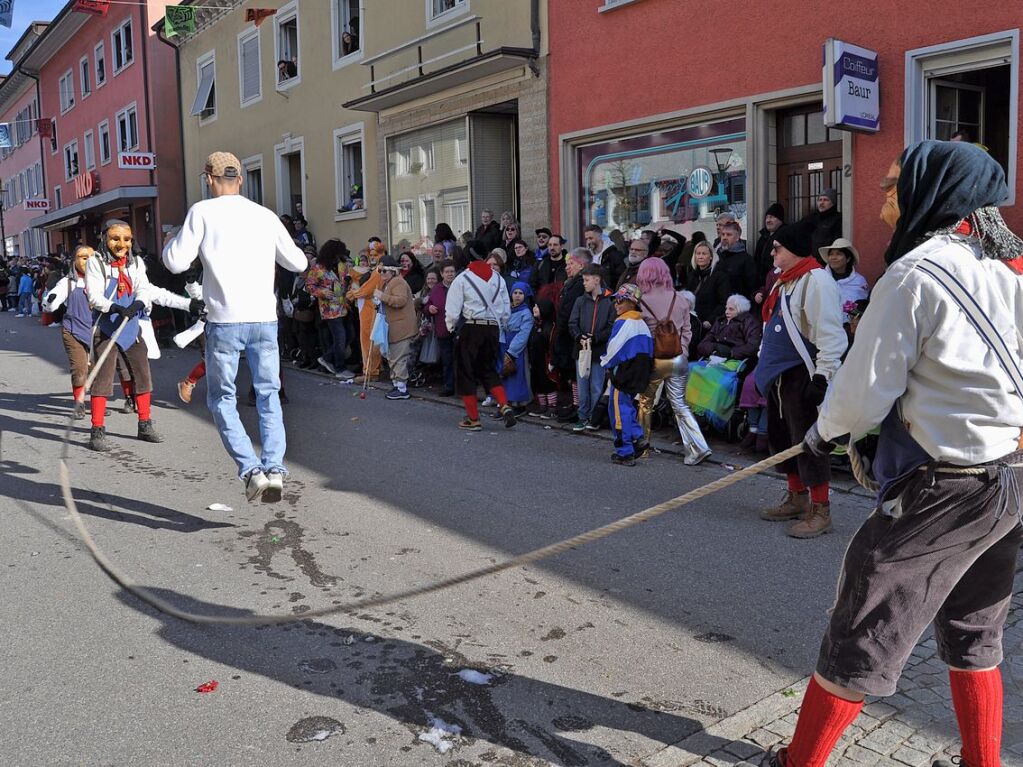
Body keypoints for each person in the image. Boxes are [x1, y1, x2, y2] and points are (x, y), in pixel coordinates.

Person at [769, 142, 1023, 767]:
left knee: (863, 628)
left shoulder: (912, 275)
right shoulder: (1006, 269)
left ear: (929, 192)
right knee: (975, 629)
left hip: (944, 487)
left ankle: (798, 762)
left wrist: (821, 435)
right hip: (1008, 480)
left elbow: (861, 393)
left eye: (893, 185)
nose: (884, 196)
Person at [163, 151, 306, 503]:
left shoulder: (202, 212)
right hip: (263, 320)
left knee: (222, 398)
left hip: (225, 320)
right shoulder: (264, 215)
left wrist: (175, 240)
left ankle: (251, 471)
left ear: (208, 179)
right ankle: (274, 469)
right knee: (269, 395)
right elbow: (298, 262)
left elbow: (176, 262)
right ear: (240, 179)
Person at [755, 222, 847, 538]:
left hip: (802, 375)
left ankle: (821, 510)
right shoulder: (784, 283)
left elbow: (832, 335)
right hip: (781, 377)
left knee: (809, 444)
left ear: (792, 249)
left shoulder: (816, 281)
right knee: (783, 439)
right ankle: (796, 497)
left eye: (777, 247)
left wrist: (822, 377)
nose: (772, 252)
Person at [86, 220, 173, 451]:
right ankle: (97, 430)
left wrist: (138, 302)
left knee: (142, 375)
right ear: (105, 238)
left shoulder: (136, 263)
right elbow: (94, 296)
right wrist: (113, 307)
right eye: (115, 238)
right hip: (106, 327)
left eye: (126, 239)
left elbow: (144, 287)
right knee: (103, 379)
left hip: (131, 327)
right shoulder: (96, 262)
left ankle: (145, 424)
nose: (121, 244)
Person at [636, 257, 711, 465]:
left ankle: (642, 445)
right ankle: (697, 447)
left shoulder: (641, 300)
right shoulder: (680, 299)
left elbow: (638, 331)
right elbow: (687, 330)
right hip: (678, 357)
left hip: (653, 359)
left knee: (645, 402)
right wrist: (683, 350)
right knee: (680, 404)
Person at [445, 252, 516, 430]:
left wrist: (450, 326)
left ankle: (473, 418)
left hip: (472, 327)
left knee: (465, 372)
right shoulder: (498, 279)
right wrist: (501, 323)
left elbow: (453, 308)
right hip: (492, 328)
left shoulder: (463, 278)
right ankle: (504, 404)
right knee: (488, 369)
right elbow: (506, 307)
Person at [600, 283, 653, 466]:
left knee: (617, 411)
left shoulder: (624, 322)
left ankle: (625, 451)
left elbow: (614, 349)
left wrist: (605, 362)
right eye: (616, 300)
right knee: (627, 406)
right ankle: (638, 438)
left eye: (620, 300)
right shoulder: (641, 323)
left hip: (623, 374)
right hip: (638, 373)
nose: (616, 304)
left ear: (632, 302)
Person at [43, 245, 95, 419]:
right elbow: (54, 299)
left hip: (96, 332)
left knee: (97, 370)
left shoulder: (102, 281)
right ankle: (79, 403)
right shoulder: (68, 282)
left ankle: (97, 404)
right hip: (73, 331)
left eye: (91, 257)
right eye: (83, 257)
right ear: (74, 261)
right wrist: (50, 301)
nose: (88, 261)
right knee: (80, 369)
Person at [569, 264, 613, 431]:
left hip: (599, 350)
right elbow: (572, 322)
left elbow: (610, 326)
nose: (584, 283)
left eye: (586, 280)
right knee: (582, 386)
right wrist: (579, 336)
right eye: (583, 280)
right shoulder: (580, 300)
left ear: (597, 280)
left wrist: (597, 338)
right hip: (581, 350)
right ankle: (582, 416)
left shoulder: (609, 301)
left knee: (596, 386)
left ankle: (594, 418)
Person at [304, 239, 352, 379]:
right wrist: (322, 292)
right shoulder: (318, 268)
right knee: (340, 337)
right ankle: (340, 368)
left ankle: (327, 358)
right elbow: (309, 286)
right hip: (329, 308)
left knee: (349, 335)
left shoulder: (342, 265)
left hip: (344, 306)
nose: (338, 257)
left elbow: (346, 281)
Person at [373, 255, 417, 400]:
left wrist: (381, 297)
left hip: (401, 328)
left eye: (384, 271)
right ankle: (397, 384)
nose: (381, 274)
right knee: (393, 357)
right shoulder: (389, 283)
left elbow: (400, 301)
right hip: (394, 327)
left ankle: (402, 388)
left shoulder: (397, 282)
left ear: (393, 271)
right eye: (380, 271)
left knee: (398, 358)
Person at [346, 241, 385, 384]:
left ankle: (370, 371)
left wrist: (354, 294)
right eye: (371, 255)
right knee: (368, 339)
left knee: (369, 340)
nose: (373, 257)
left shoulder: (378, 270)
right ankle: (372, 369)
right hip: (366, 307)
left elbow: (368, 289)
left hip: (370, 308)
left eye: (376, 254)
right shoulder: (375, 269)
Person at [423, 260, 456, 396]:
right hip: (443, 330)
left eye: (452, 271)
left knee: (462, 360)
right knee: (447, 360)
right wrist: (429, 308)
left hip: (460, 330)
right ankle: (449, 386)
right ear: (442, 274)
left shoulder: (460, 286)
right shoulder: (436, 289)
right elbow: (426, 306)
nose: (450, 274)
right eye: (447, 272)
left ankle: (464, 388)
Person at [696, 294, 762, 361]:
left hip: (736, 362)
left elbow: (753, 346)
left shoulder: (750, 323)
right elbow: (702, 344)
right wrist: (715, 347)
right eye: (726, 308)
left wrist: (730, 352)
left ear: (741, 311)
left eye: (731, 309)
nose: (726, 312)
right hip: (713, 358)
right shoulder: (721, 320)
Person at [500, 282, 534, 412]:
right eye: (515, 293)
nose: (517, 296)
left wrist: (512, 351)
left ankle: (519, 403)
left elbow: (523, 334)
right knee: (506, 374)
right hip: (506, 344)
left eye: (520, 293)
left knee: (518, 374)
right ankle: (507, 401)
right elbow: (502, 327)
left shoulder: (526, 313)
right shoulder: (507, 309)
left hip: (517, 348)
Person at [820, 238, 869, 324]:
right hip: (824, 326)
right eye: (831, 254)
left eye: (838, 254)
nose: (834, 258)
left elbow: (860, 307)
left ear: (848, 258)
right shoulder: (820, 278)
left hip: (849, 328)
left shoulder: (859, 281)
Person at [685, 240, 731, 329]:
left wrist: (710, 320)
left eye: (704, 254)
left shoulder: (720, 276)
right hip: (691, 321)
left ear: (711, 257)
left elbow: (724, 302)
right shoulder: (692, 275)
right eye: (698, 254)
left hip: (709, 324)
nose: (700, 257)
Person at [528, 298, 558, 418]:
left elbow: (553, 346)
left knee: (548, 383)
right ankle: (542, 406)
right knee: (538, 381)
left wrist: (553, 361)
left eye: (537, 306)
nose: (534, 309)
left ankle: (552, 407)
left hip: (546, 360)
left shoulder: (551, 327)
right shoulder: (536, 325)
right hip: (536, 360)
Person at [715, 221, 757, 299]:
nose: (724, 237)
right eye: (723, 234)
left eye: (729, 235)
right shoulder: (716, 257)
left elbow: (751, 288)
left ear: (737, 237)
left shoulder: (746, 260)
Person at [802, 188, 843, 259]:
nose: (821, 203)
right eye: (820, 200)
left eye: (826, 200)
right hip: (810, 261)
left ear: (833, 202)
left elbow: (837, 243)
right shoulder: (811, 218)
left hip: (827, 260)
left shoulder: (838, 219)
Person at [583, 224, 626, 289]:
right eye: (586, 239)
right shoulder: (587, 256)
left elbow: (621, 278)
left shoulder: (614, 255)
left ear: (600, 236)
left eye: (591, 238)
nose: (588, 241)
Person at [753, 203, 785, 282]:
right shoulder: (763, 237)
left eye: (772, 217)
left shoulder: (784, 236)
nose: (768, 220)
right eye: (767, 217)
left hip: (777, 280)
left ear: (780, 219)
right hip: (762, 283)